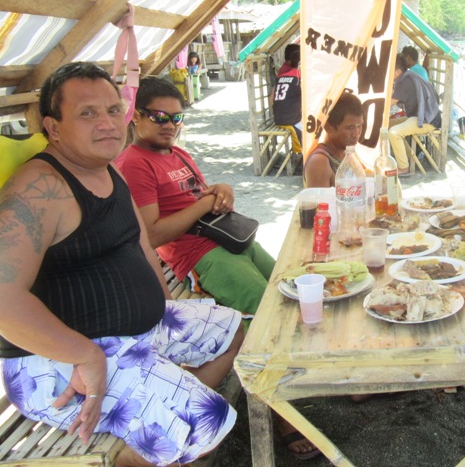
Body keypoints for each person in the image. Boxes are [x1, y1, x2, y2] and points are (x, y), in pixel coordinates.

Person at [0, 62, 243, 467]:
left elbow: (142, 247)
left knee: (231, 329)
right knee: (208, 417)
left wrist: (163, 306)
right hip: (60, 361)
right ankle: (150, 445)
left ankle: (160, 435)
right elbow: (3, 300)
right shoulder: (39, 189)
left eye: (114, 110)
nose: (108, 123)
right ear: (53, 127)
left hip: (133, 333)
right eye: (88, 113)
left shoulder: (108, 169)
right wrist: (84, 355)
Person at [115, 77, 276, 318]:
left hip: (229, 238)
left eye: (177, 118)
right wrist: (206, 203)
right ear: (136, 116)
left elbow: (200, 195)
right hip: (198, 256)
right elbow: (152, 236)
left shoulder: (178, 153)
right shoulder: (134, 164)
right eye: (160, 117)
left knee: (287, 285)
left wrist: (221, 190)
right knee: (268, 313)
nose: (170, 125)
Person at [388, 54, 442, 176]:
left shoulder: (405, 82)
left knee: (394, 132)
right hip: (420, 116)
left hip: (427, 120)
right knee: (388, 125)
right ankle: (408, 157)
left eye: (389, 70)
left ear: (397, 72)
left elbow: (388, 104)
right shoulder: (407, 77)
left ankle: (404, 167)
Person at [304, 91, 364, 187]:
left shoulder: (349, 154)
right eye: (350, 128)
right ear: (329, 128)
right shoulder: (319, 162)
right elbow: (319, 197)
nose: (356, 133)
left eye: (359, 126)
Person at [272, 44, 302, 147]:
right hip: (292, 121)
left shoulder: (281, 76)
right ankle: (303, 152)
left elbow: (271, 99)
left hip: (277, 118)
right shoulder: (299, 77)